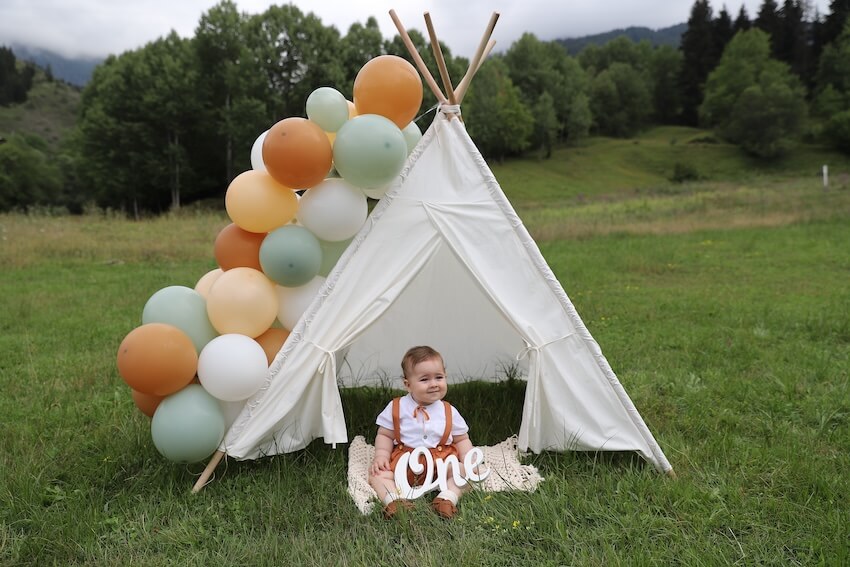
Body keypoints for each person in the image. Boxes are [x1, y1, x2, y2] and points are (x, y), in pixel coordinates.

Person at [368, 345, 474, 519]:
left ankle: (446, 499)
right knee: (378, 475)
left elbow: (461, 439)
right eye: (424, 380)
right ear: (408, 384)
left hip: (441, 463)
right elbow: (385, 434)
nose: (433, 384)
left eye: (439, 377)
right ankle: (394, 501)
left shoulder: (448, 411)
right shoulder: (397, 407)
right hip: (405, 463)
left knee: (465, 472)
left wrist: (469, 458)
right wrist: (381, 455)